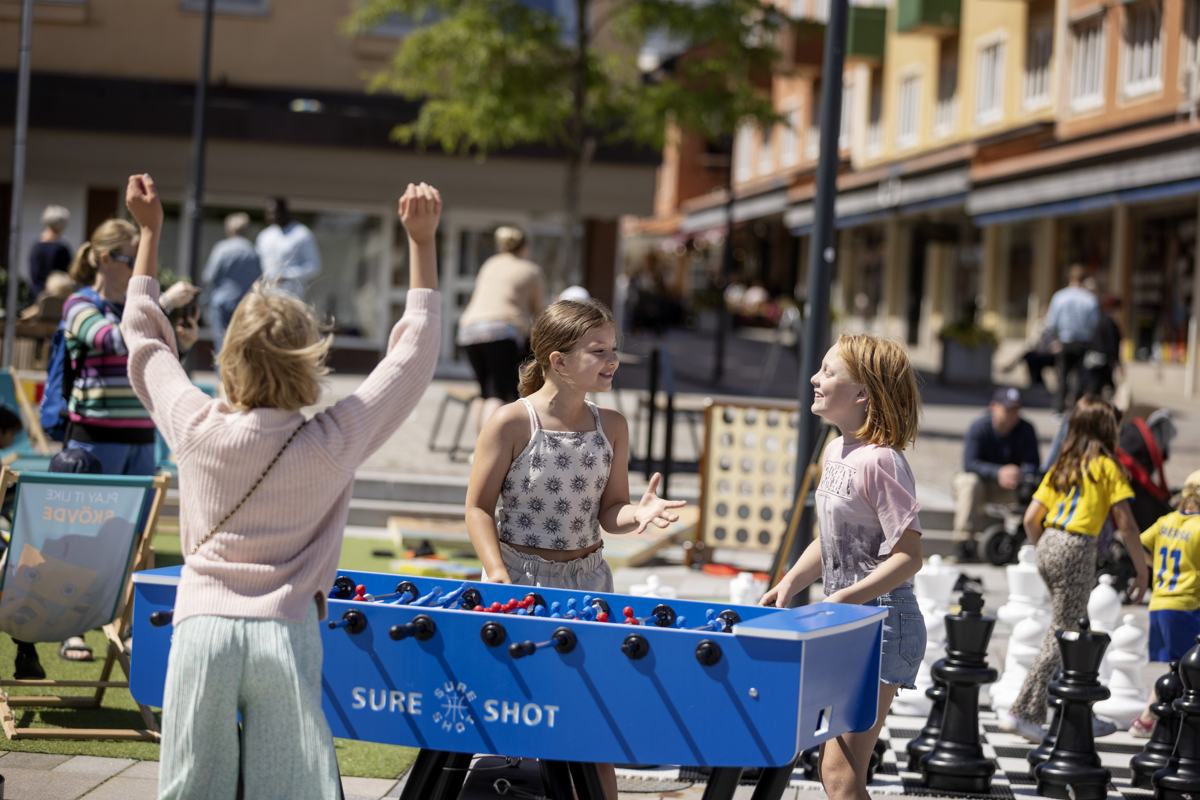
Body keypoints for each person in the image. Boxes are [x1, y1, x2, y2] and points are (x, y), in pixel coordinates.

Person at [122, 173, 441, 799]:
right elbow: (413, 355)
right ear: (309, 360)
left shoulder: (194, 424)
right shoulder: (334, 439)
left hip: (202, 626)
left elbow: (144, 337)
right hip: (285, 631)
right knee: (293, 789)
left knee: (191, 787)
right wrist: (421, 243)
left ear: (229, 356)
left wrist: (149, 233)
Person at [465, 299, 684, 800]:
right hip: (517, 582)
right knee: (516, 720)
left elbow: (612, 511)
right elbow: (477, 508)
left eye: (614, 349)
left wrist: (638, 515)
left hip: (589, 584)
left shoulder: (613, 426)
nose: (611, 360)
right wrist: (495, 571)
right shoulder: (510, 422)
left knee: (592, 726)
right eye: (597, 350)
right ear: (556, 360)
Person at [761, 333, 925, 800]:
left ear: (862, 394)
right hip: (849, 621)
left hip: (885, 624)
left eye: (829, 372)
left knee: (837, 771)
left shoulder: (883, 463)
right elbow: (833, 540)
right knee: (833, 770)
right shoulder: (835, 452)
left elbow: (909, 557)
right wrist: (792, 580)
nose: (815, 378)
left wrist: (844, 598)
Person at [1000, 395, 1150, 743]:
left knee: (1074, 627)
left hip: (1049, 540)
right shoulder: (1108, 468)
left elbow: (1030, 519)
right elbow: (1126, 524)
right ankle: (1022, 713)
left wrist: (1048, 550)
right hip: (1078, 545)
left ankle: (1079, 710)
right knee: (1065, 631)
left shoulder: (1063, 466)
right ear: (1107, 428)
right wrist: (1142, 571)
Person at [61, 219, 201, 476]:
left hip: (143, 436)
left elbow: (153, 362)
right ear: (105, 259)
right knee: (93, 517)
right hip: (96, 437)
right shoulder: (78, 303)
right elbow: (112, 341)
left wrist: (182, 345)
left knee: (139, 518)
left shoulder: (142, 309)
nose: (139, 268)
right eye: (132, 260)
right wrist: (164, 302)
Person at [1127, 469, 1200, 737]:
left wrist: (1155, 566)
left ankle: (1152, 719)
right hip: (1187, 606)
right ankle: (1147, 719)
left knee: (1180, 667)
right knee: (1188, 668)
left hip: (1159, 604)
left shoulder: (1166, 521)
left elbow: (1138, 543)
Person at [456, 226, 546, 431]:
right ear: (525, 247)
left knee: (483, 392)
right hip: (502, 331)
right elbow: (540, 313)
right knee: (498, 392)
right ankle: (488, 447)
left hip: (469, 331)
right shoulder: (531, 270)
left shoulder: (490, 263)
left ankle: (477, 450)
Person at [949, 387, 1041, 562]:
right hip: (982, 485)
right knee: (968, 482)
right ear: (994, 407)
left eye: (1016, 410)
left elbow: (1033, 464)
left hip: (1010, 487)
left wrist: (1019, 474)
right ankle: (963, 543)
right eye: (1008, 409)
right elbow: (970, 463)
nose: (1012, 415)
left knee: (1035, 486)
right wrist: (998, 472)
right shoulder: (979, 427)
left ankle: (1028, 539)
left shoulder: (1026, 429)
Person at [201, 212, 262, 356]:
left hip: (221, 304)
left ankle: (223, 378)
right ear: (247, 231)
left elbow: (208, 276)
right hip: (245, 305)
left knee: (221, 345)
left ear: (230, 230)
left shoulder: (222, 248)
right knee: (241, 346)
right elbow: (259, 279)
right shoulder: (253, 252)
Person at [1045, 265, 1099, 413]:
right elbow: (1094, 324)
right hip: (1082, 342)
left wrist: (1054, 341)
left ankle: (1058, 408)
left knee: (1062, 376)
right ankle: (1075, 408)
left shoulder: (1060, 296)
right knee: (1079, 376)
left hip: (1063, 341)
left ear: (1069, 278)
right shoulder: (1090, 299)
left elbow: (1050, 323)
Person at [255, 197, 321, 300]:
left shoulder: (301, 234)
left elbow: (313, 266)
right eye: (269, 213)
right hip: (267, 292)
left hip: (291, 293)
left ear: (285, 211)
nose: (272, 216)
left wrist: (286, 275)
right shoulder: (264, 236)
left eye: (275, 212)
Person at [28, 205, 72, 300]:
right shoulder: (61, 248)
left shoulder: (36, 246)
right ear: (60, 224)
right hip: (56, 297)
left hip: (37, 296)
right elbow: (66, 274)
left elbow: (34, 275)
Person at [1085, 296, 1122, 398]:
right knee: (1100, 387)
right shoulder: (1109, 322)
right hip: (1103, 360)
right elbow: (1111, 343)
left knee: (1097, 386)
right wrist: (1116, 360)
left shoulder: (1099, 320)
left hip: (1096, 358)